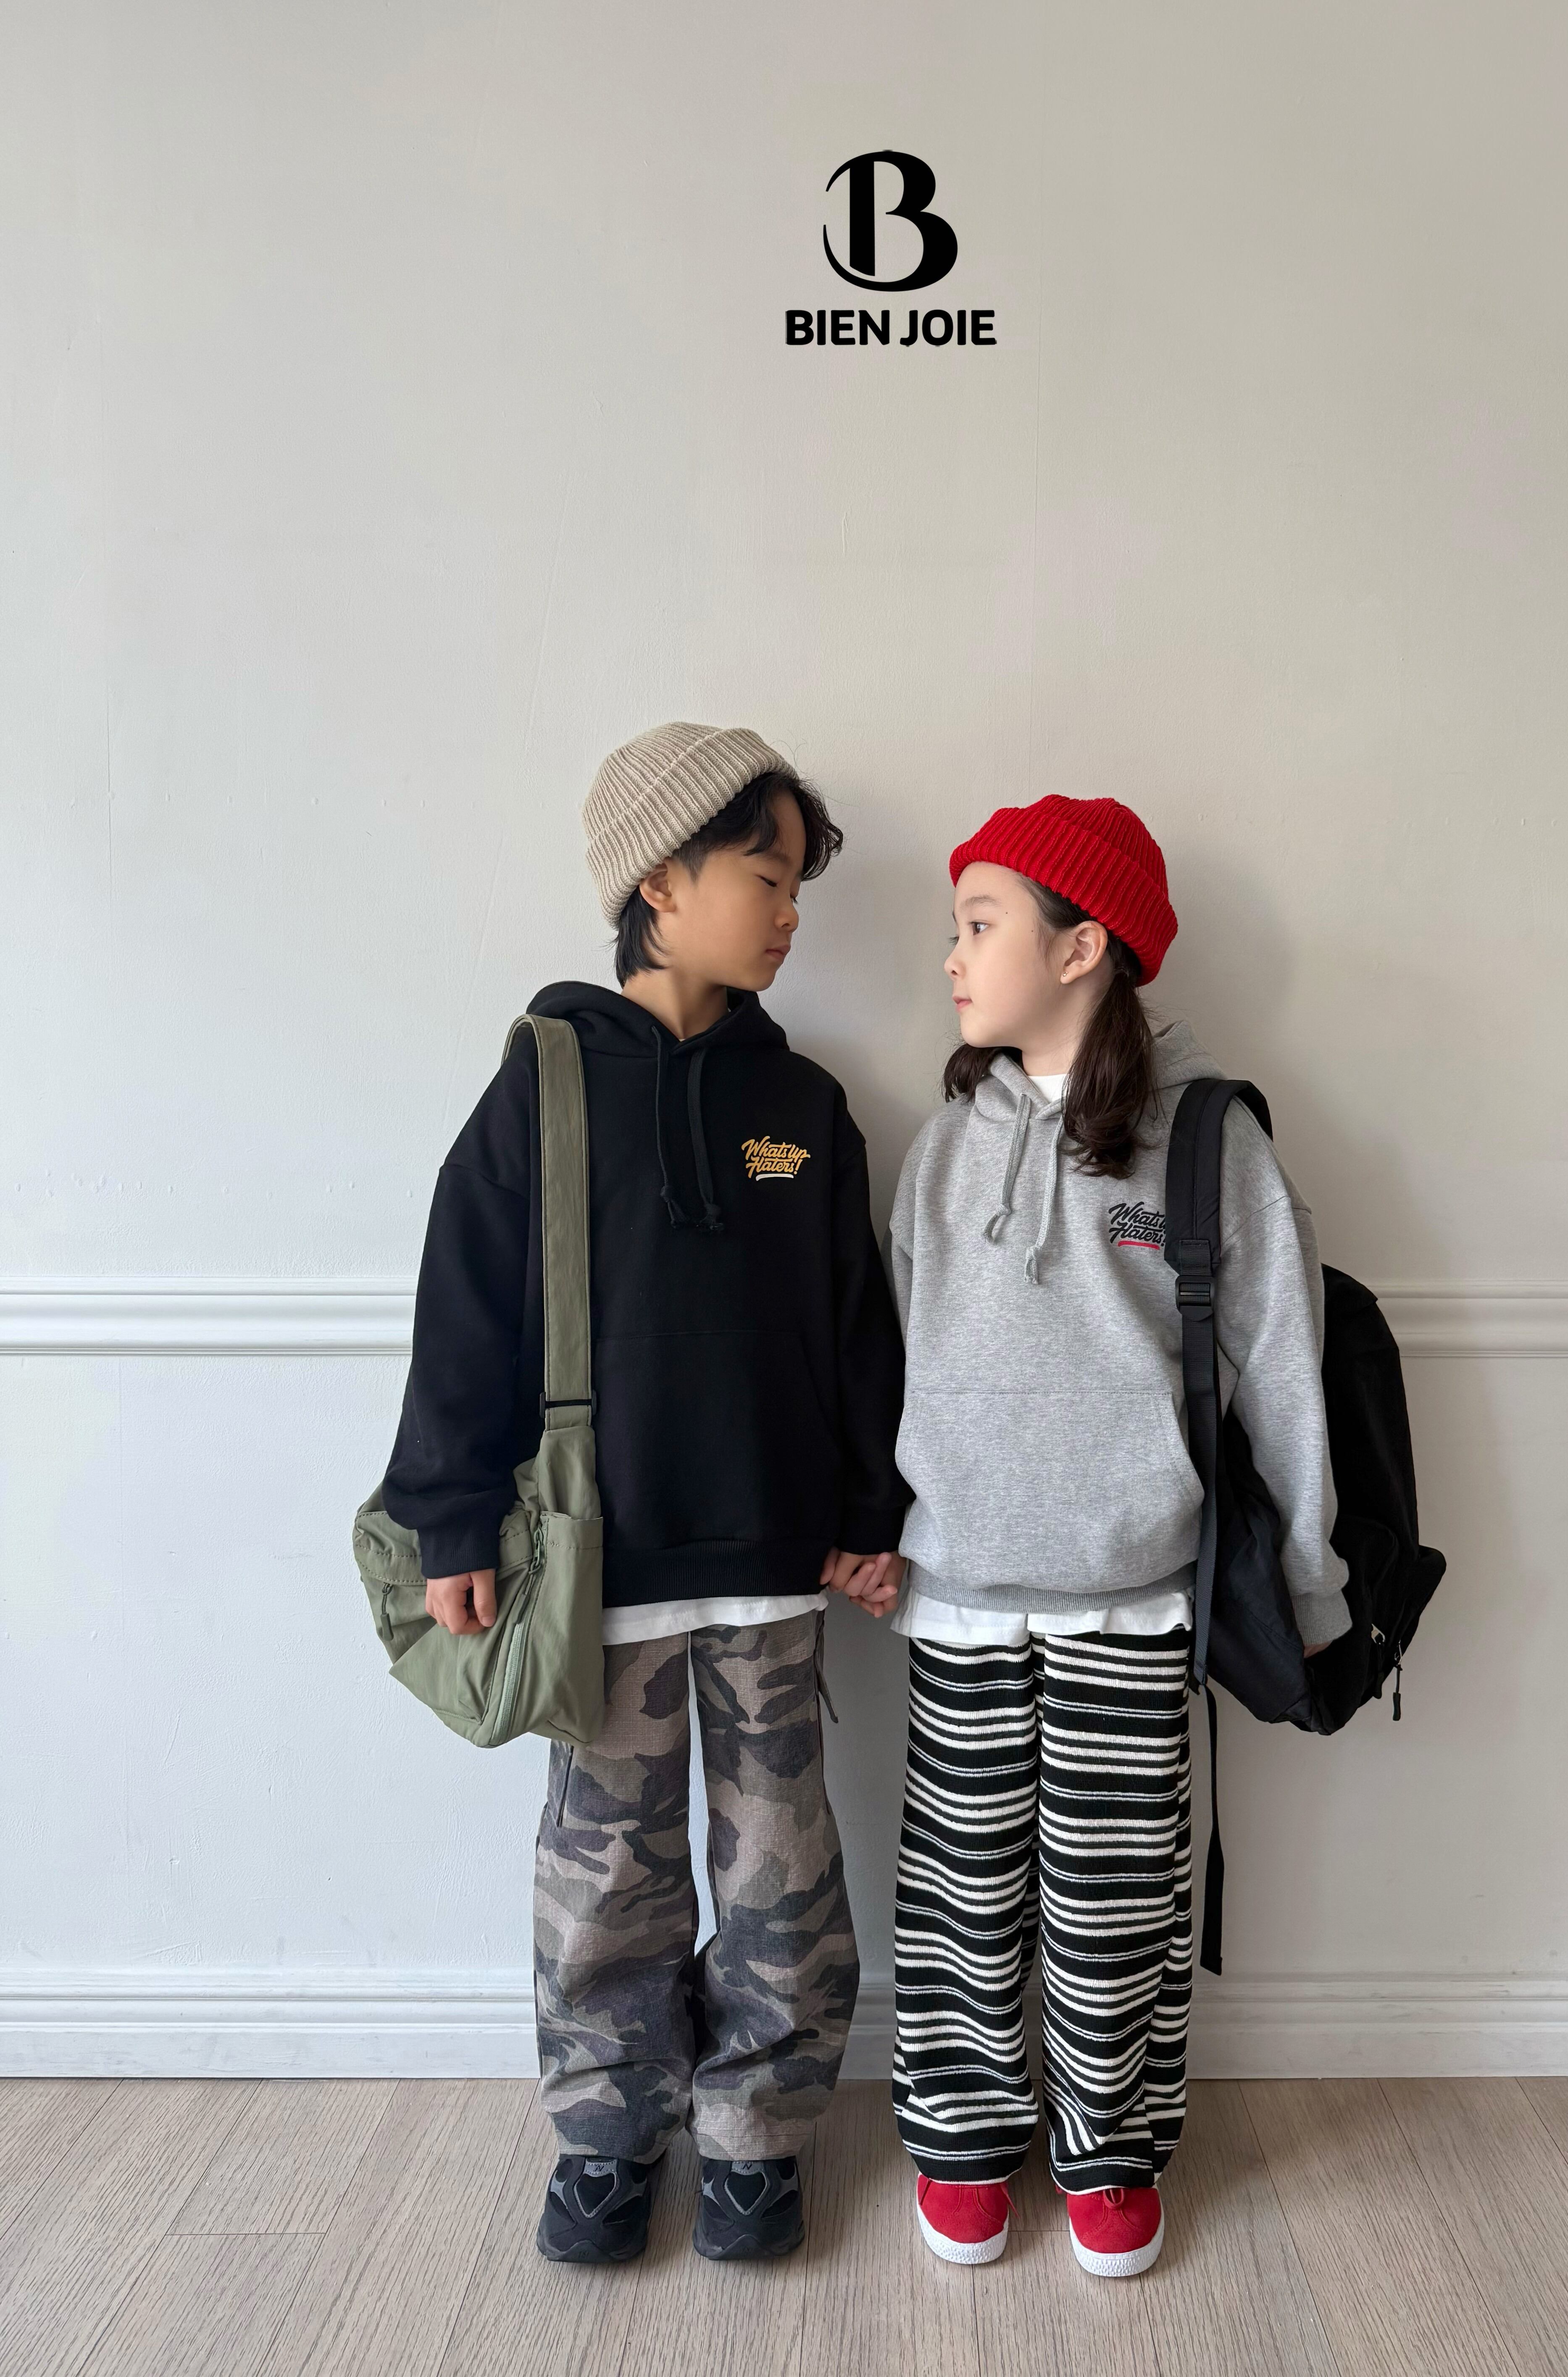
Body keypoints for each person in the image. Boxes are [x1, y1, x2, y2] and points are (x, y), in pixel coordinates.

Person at [381, 723, 908, 2266]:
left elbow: (856, 1326)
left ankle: (757, 2135)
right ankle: (609, 2132)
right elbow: (466, 1309)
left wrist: (870, 1510)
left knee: (780, 1867)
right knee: (605, 1870)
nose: (791, 911)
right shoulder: (542, 1086)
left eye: (799, 884)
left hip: (771, 1562)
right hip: (596, 1566)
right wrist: (450, 1515)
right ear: (658, 882)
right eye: (765, 876)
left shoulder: (802, 1103)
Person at [874, 794, 1348, 2278]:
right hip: (958, 1590)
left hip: (1133, 1597)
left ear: (1081, 945)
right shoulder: (941, 1148)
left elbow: (1284, 1370)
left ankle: (1109, 2143)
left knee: (1112, 1900)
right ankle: (962, 2133)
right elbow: (892, 1357)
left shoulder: (1206, 1142)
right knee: (961, 1895)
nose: (951, 956)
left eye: (979, 923)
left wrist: (1311, 1580)